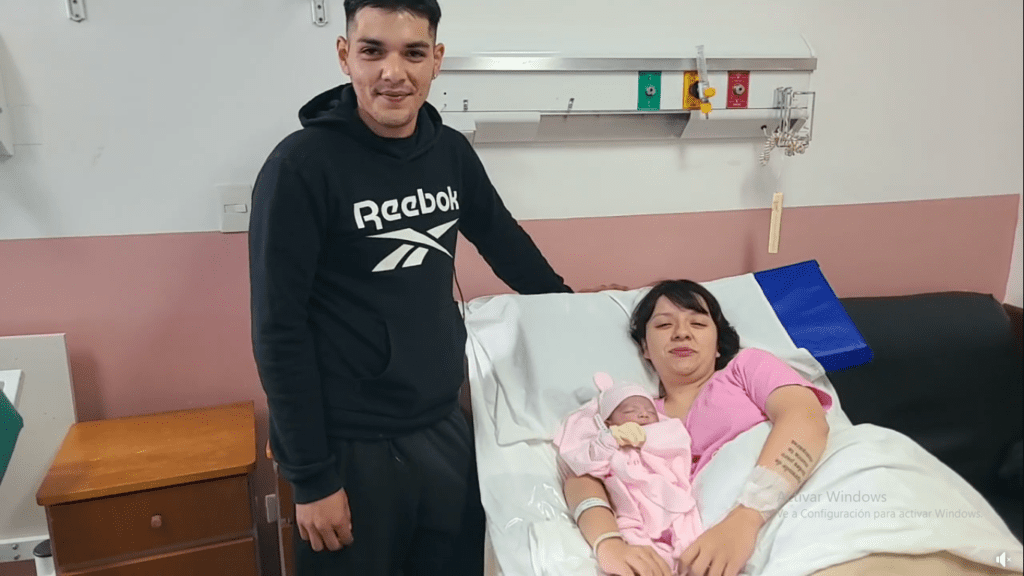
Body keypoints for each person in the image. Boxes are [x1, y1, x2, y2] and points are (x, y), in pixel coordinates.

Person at [248, 1, 579, 573]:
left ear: (437, 60)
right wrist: (312, 477)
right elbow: (279, 330)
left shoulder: (449, 152)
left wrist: (582, 312)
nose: (393, 73)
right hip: (349, 445)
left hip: (441, 425)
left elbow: (504, 243)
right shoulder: (300, 167)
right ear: (345, 55)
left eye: (413, 53)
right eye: (373, 51)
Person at [562, 280, 833, 576]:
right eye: (664, 325)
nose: (681, 332)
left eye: (698, 323)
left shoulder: (746, 368)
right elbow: (581, 475)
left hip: (797, 504)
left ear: (718, 345)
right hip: (706, 547)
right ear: (645, 348)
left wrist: (748, 517)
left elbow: (805, 417)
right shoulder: (630, 413)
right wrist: (608, 543)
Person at [555, 373, 703, 574]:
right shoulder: (607, 443)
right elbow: (587, 466)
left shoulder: (666, 432)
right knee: (637, 547)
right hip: (631, 513)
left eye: (649, 411)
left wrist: (648, 439)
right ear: (608, 422)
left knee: (688, 536)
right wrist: (610, 440)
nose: (643, 415)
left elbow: (678, 451)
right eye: (630, 411)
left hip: (670, 503)